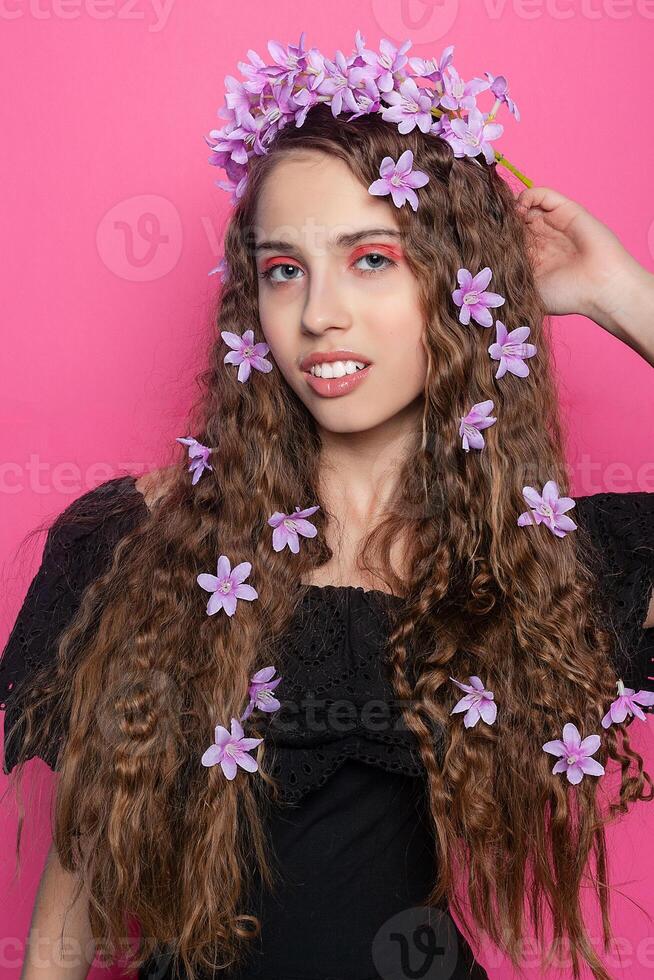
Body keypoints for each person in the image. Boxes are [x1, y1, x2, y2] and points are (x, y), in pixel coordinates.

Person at [2, 30, 654, 980]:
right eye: (283, 269)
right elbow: (70, 898)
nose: (318, 316)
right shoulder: (131, 541)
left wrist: (618, 292)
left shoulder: (537, 560)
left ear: (456, 284)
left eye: (373, 258)